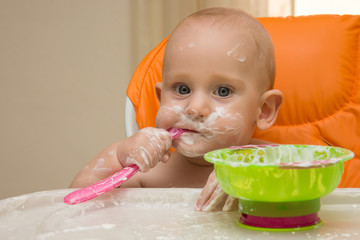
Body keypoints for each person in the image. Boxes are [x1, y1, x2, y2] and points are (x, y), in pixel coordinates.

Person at [70, 7, 283, 211]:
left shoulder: (276, 162)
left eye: (223, 91)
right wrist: (117, 157)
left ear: (263, 110)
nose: (195, 108)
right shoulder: (150, 175)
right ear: (161, 98)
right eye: (182, 89)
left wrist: (253, 175)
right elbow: (75, 208)